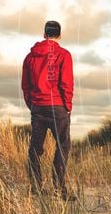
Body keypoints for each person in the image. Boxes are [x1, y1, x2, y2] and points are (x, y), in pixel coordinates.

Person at [21, 20, 75, 200]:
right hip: (58, 107)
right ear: (59, 35)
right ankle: (59, 190)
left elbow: (25, 85)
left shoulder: (30, 57)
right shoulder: (63, 55)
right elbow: (66, 83)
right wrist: (67, 106)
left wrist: (33, 104)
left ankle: (36, 187)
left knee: (35, 148)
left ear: (44, 34)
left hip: (38, 107)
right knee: (63, 145)